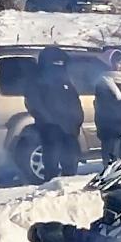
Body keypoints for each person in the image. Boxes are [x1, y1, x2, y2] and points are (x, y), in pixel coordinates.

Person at [24, 46, 83, 182]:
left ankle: (69, 186)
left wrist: (78, 119)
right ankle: (51, 189)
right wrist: (49, 122)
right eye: (57, 62)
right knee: (52, 161)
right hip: (50, 128)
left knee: (71, 161)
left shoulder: (65, 79)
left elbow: (75, 101)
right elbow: (34, 103)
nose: (60, 65)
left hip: (70, 128)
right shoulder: (37, 80)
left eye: (61, 63)